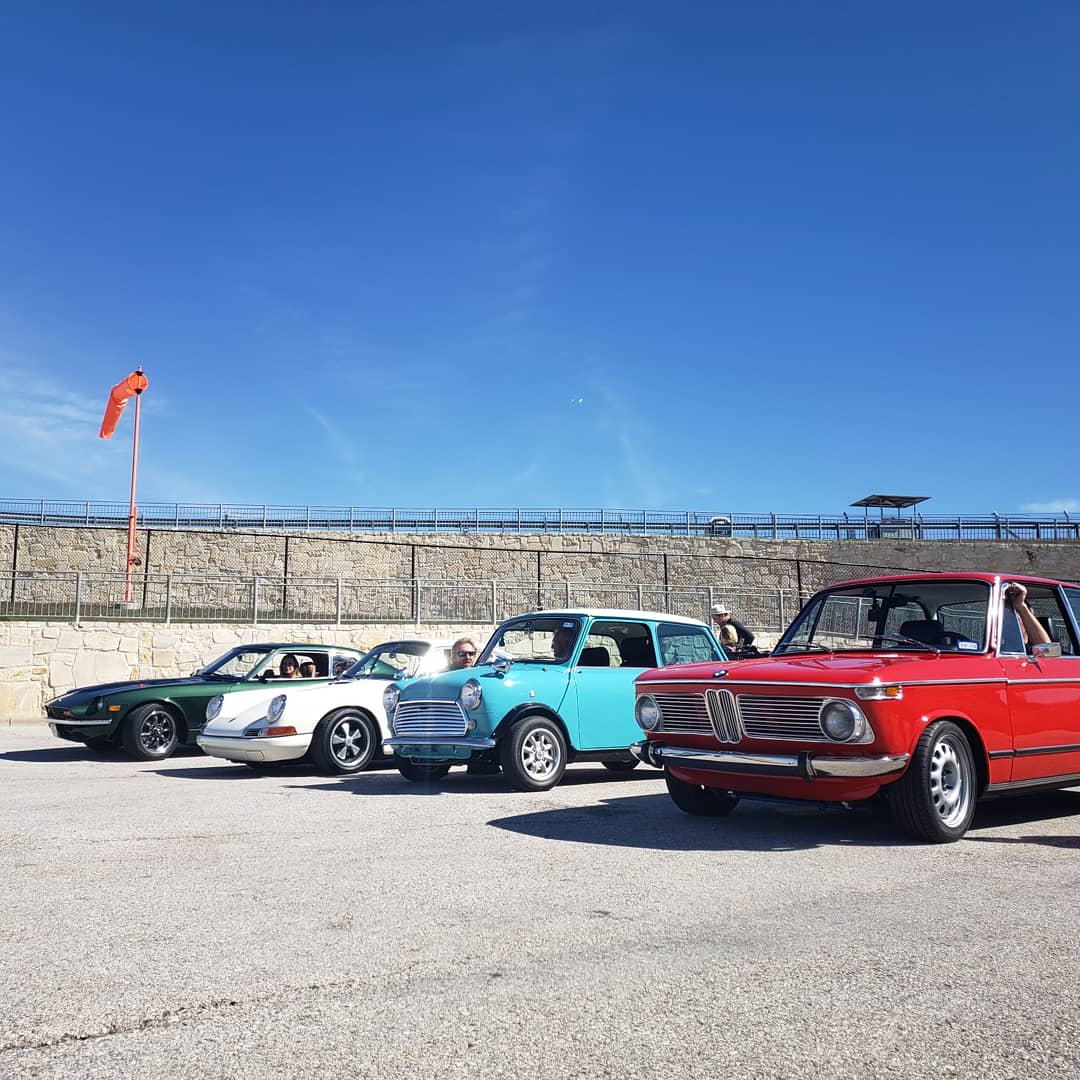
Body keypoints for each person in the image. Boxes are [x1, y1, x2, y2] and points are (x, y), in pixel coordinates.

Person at [1004, 582, 1051, 649]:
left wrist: (1021, 606)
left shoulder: (1032, 649)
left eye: (1013, 616)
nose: (1007, 622)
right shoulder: (996, 643)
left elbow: (1047, 651)